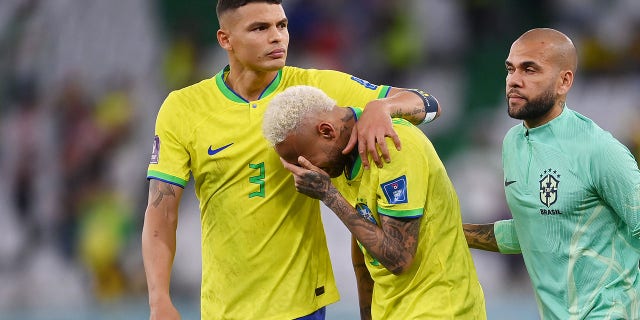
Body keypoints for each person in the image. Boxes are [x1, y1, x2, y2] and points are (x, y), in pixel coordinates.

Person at [141, 1, 441, 319]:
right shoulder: (183, 108)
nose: (277, 37)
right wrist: (159, 299)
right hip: (224, 308)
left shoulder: (313, 88)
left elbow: (428, 102)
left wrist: (382, 108)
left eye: (281, 25)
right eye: (260, 28)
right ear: (225, 39)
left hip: (303, 305)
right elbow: (162, 216)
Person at [262, 85, 486, 320]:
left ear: (327, 131)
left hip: (441, 309)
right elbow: (362, 238)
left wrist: (329, 196)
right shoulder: (341, 156)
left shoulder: (391, 146)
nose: (310, 171)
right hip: (390, 311)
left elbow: (399, 259)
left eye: (307, 161)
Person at [462, 28, 640, 319]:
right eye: (511, 69)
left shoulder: (598, 150)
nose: (514, 81)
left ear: (564, 81)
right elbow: (535, 230)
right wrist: (454, 232)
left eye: (530, 69)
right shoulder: (512, 144)